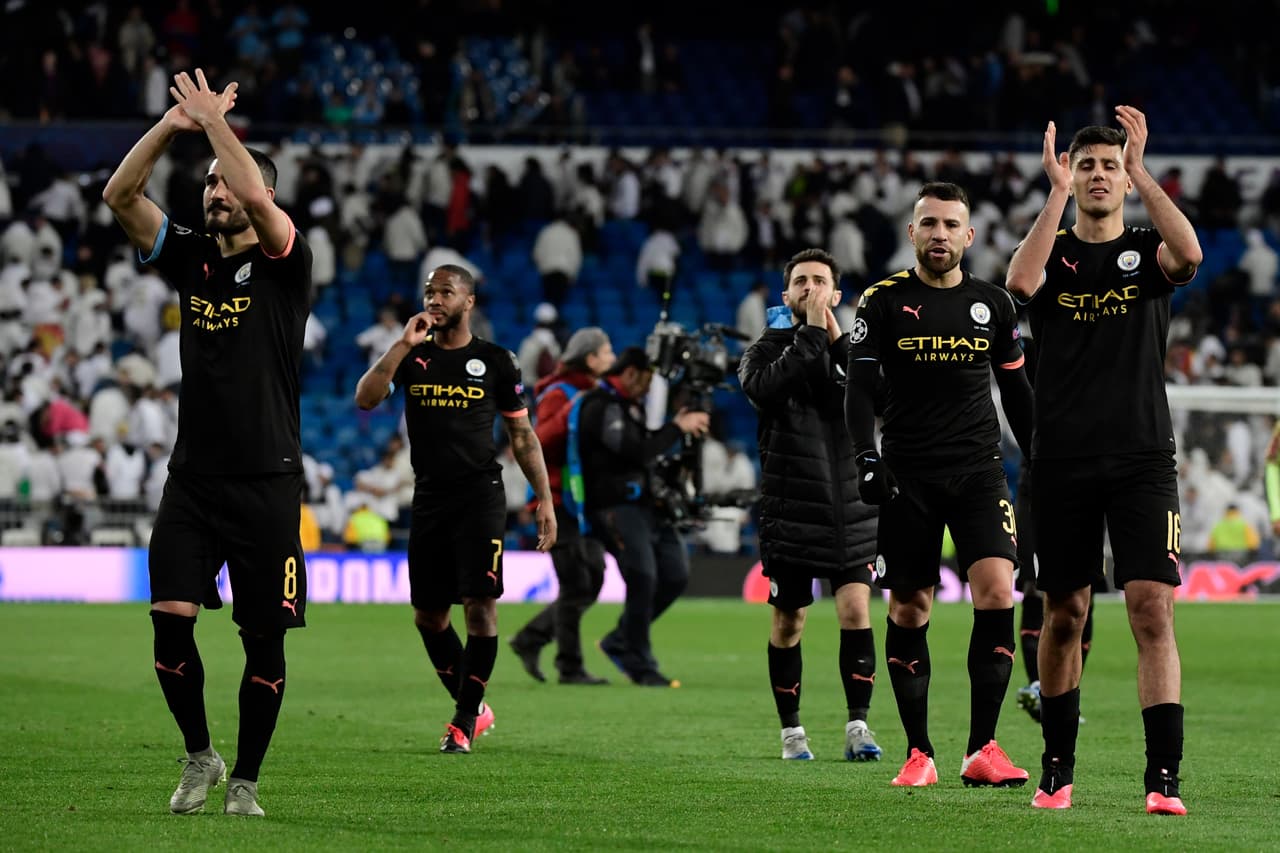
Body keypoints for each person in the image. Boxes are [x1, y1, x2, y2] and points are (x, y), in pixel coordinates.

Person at [102, 68, 308, 817]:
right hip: (192, 478)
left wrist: (218, 125)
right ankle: (201, 756)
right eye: (209, 185)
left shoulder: (289, 265)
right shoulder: (190, 256)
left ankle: (247, 780)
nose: (216, 193)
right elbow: (119, 198)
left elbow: (257, 197)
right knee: (168, 625)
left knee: (265, 642)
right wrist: (173, 125)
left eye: (227, 184)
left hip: (267, 479)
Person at [1005, 107, 1202, 814]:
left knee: (1153, 610)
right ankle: (1056, 770)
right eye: (1085, 164)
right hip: (1059, 461)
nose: (1096, 174)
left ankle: (1163, 779)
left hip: (1143, 458)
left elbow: (1193, 257)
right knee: (1065, 612)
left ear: (1123, 178)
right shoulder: (1053, 256)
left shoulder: (1148, 251)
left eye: (1107, 165)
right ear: (1071, 173)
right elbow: (1019, 285)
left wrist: (1145, 171)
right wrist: (1054, 192)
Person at [845, 182, 1035, 789]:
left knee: (998, 591)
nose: (940, 235)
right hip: (909, 477)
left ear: (969, 236)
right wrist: (865, 459)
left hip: (980, 472)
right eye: (929, 224)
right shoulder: (880, 302)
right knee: (909, 606)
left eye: (952, 225)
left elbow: (1016, 389)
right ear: (912, 233)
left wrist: (1039, 457)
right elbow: (857, 390)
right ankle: (919, 752)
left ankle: (983, 747)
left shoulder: (995, 304)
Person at [354, 263, 556, 754]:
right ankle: (474, 705)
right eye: (429, 292)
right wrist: (402, 343)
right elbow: (366, 398)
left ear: (468, 302)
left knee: (480, 608)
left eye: (446, 292)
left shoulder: (495, 361)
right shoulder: (413, 357)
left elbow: (522, 436)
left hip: (480, 495)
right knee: (428, 617)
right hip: (429, 496)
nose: (435, 300)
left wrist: (544, 498)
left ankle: (463, 720)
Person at [738, 247, 883, 763]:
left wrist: (837, 338)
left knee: (855, 609)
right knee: (789, 622)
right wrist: (813, 333)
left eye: (820, 281)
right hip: (791, 509)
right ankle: (791, 733)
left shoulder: (854, 349)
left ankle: (859, 727)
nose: (811, 289)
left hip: (850, 508)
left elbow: (878, 397)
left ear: (837, 294)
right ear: (786, 295)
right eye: (801, 282)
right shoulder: (762, 352)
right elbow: (767, 390)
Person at [576, 347, 709, 686]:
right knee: (643, 577)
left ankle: (620, 640)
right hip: (614, 506)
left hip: (648, 507)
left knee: (675, 574)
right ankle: (639, 662)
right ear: (631, 372)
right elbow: (636, 451)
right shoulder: (600, 406)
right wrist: (677, 428)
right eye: (647, 380)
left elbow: (645, 447)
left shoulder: (629, 406)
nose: (650, 389)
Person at [509, 327, 616, 685]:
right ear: (590, 358)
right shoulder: (561, 393)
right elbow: (542, 441)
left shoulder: (594, 394)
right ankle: (568, 666)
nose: (611, 358)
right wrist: (577, 408)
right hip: (557, 501)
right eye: (606, 352)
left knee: (592, 578)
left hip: (582, 503)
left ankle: (531, 639)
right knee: (576, 584)